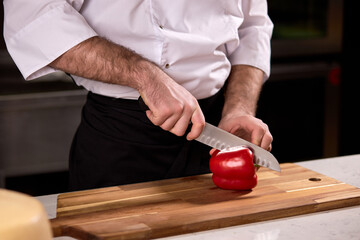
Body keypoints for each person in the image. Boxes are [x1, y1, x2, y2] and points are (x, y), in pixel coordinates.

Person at [3, 0, 274, 191]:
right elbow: (35, 18)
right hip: (123, 139)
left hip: (215, 136)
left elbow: (253, 26)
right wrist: (146, 77)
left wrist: (240, 108)